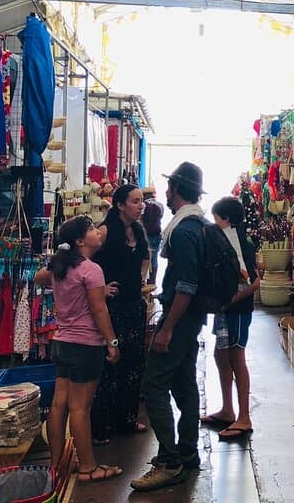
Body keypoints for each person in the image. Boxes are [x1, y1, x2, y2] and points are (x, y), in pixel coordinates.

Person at [130, 162, 207, 492]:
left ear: (176, 188)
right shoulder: (193, 224)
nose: (164, 191)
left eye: (169, 186)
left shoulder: (185, 230)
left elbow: (187, 285)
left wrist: (167, 328)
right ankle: (187, 453)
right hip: (189, 320)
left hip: (180, 319)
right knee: (184, 383)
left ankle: (169, 460)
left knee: (154, 385)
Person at [36, 216, 121, 484]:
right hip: (85, 346)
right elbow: (98, 310)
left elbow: (40, 278)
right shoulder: (90, 269)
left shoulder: (62, 267)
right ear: (80, 241)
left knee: (58, 404)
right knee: (80, 408)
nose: (99, 232)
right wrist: (112, 342)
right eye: (93, 230)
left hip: (61, 342)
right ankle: (87, 467)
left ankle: (57, 464)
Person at [90, 184, 149, 445]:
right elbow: (84, 261)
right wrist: (99, 289)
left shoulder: (138, 230)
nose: (140, 205)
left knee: (133, 363)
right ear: (120, 205)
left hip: (134, 304)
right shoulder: (104, 231)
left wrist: (142, 277)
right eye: (135, 201)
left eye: (141, 201)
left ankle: (126, 418)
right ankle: (102, 424)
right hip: (112, 308)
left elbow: (145, 257)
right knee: (109, 365)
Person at [200, 196, 260, 440]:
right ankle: (227, 409)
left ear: (225, 219)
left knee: (237, 358)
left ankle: (244, 417)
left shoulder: (240, 243)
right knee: (221, 355)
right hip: (228, 310)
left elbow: (254, 282)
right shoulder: (231, 240)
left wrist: (227, 302)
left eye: (216, 218)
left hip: (237, 309)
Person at [142, 186, 164, 285]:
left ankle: (145, 280)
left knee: (146, 258)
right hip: (157, 234)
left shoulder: (143, 205)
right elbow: (161, 217)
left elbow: (140, 219)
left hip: (146, 235)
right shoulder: (160, 205)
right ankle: (152, 281)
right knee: (154, 258)